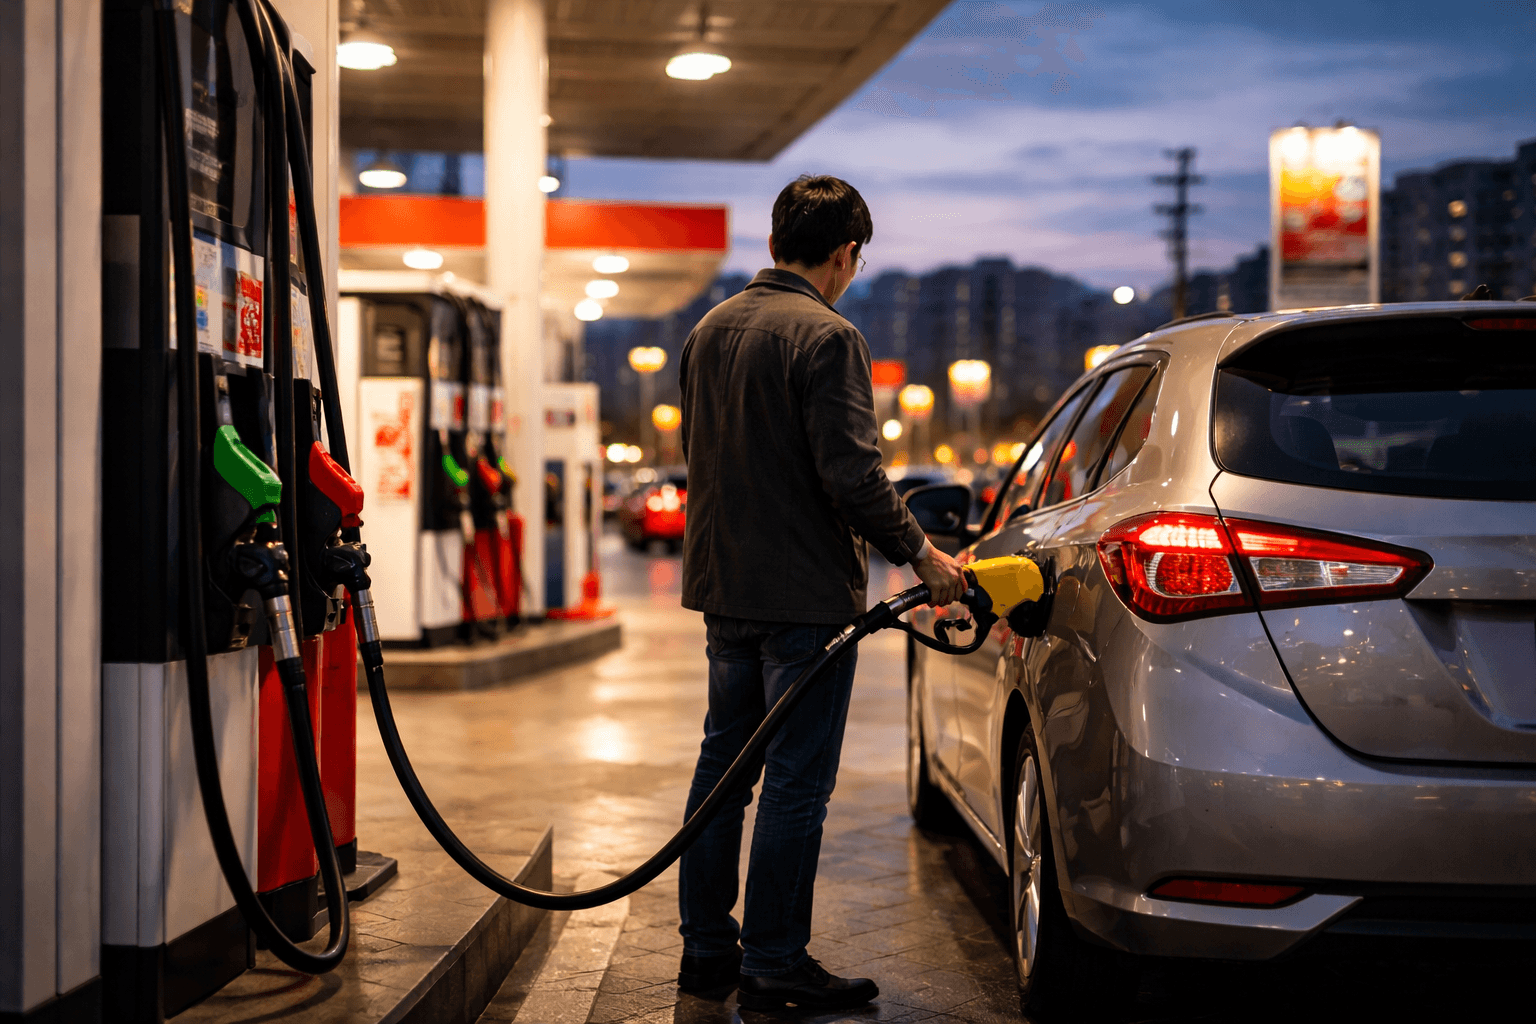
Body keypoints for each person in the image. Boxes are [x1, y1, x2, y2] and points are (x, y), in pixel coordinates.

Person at [674, 175, 967, 1013]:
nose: (850, 274)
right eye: (853, 261)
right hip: (803, 602)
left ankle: (706, 954)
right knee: (797, 783)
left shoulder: (708, 330)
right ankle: (772, 960)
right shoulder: (829, 336)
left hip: (723, 593)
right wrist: (921, 555)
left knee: (721, 772)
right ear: (843, 254)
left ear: (773, 244)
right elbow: (852, 475)